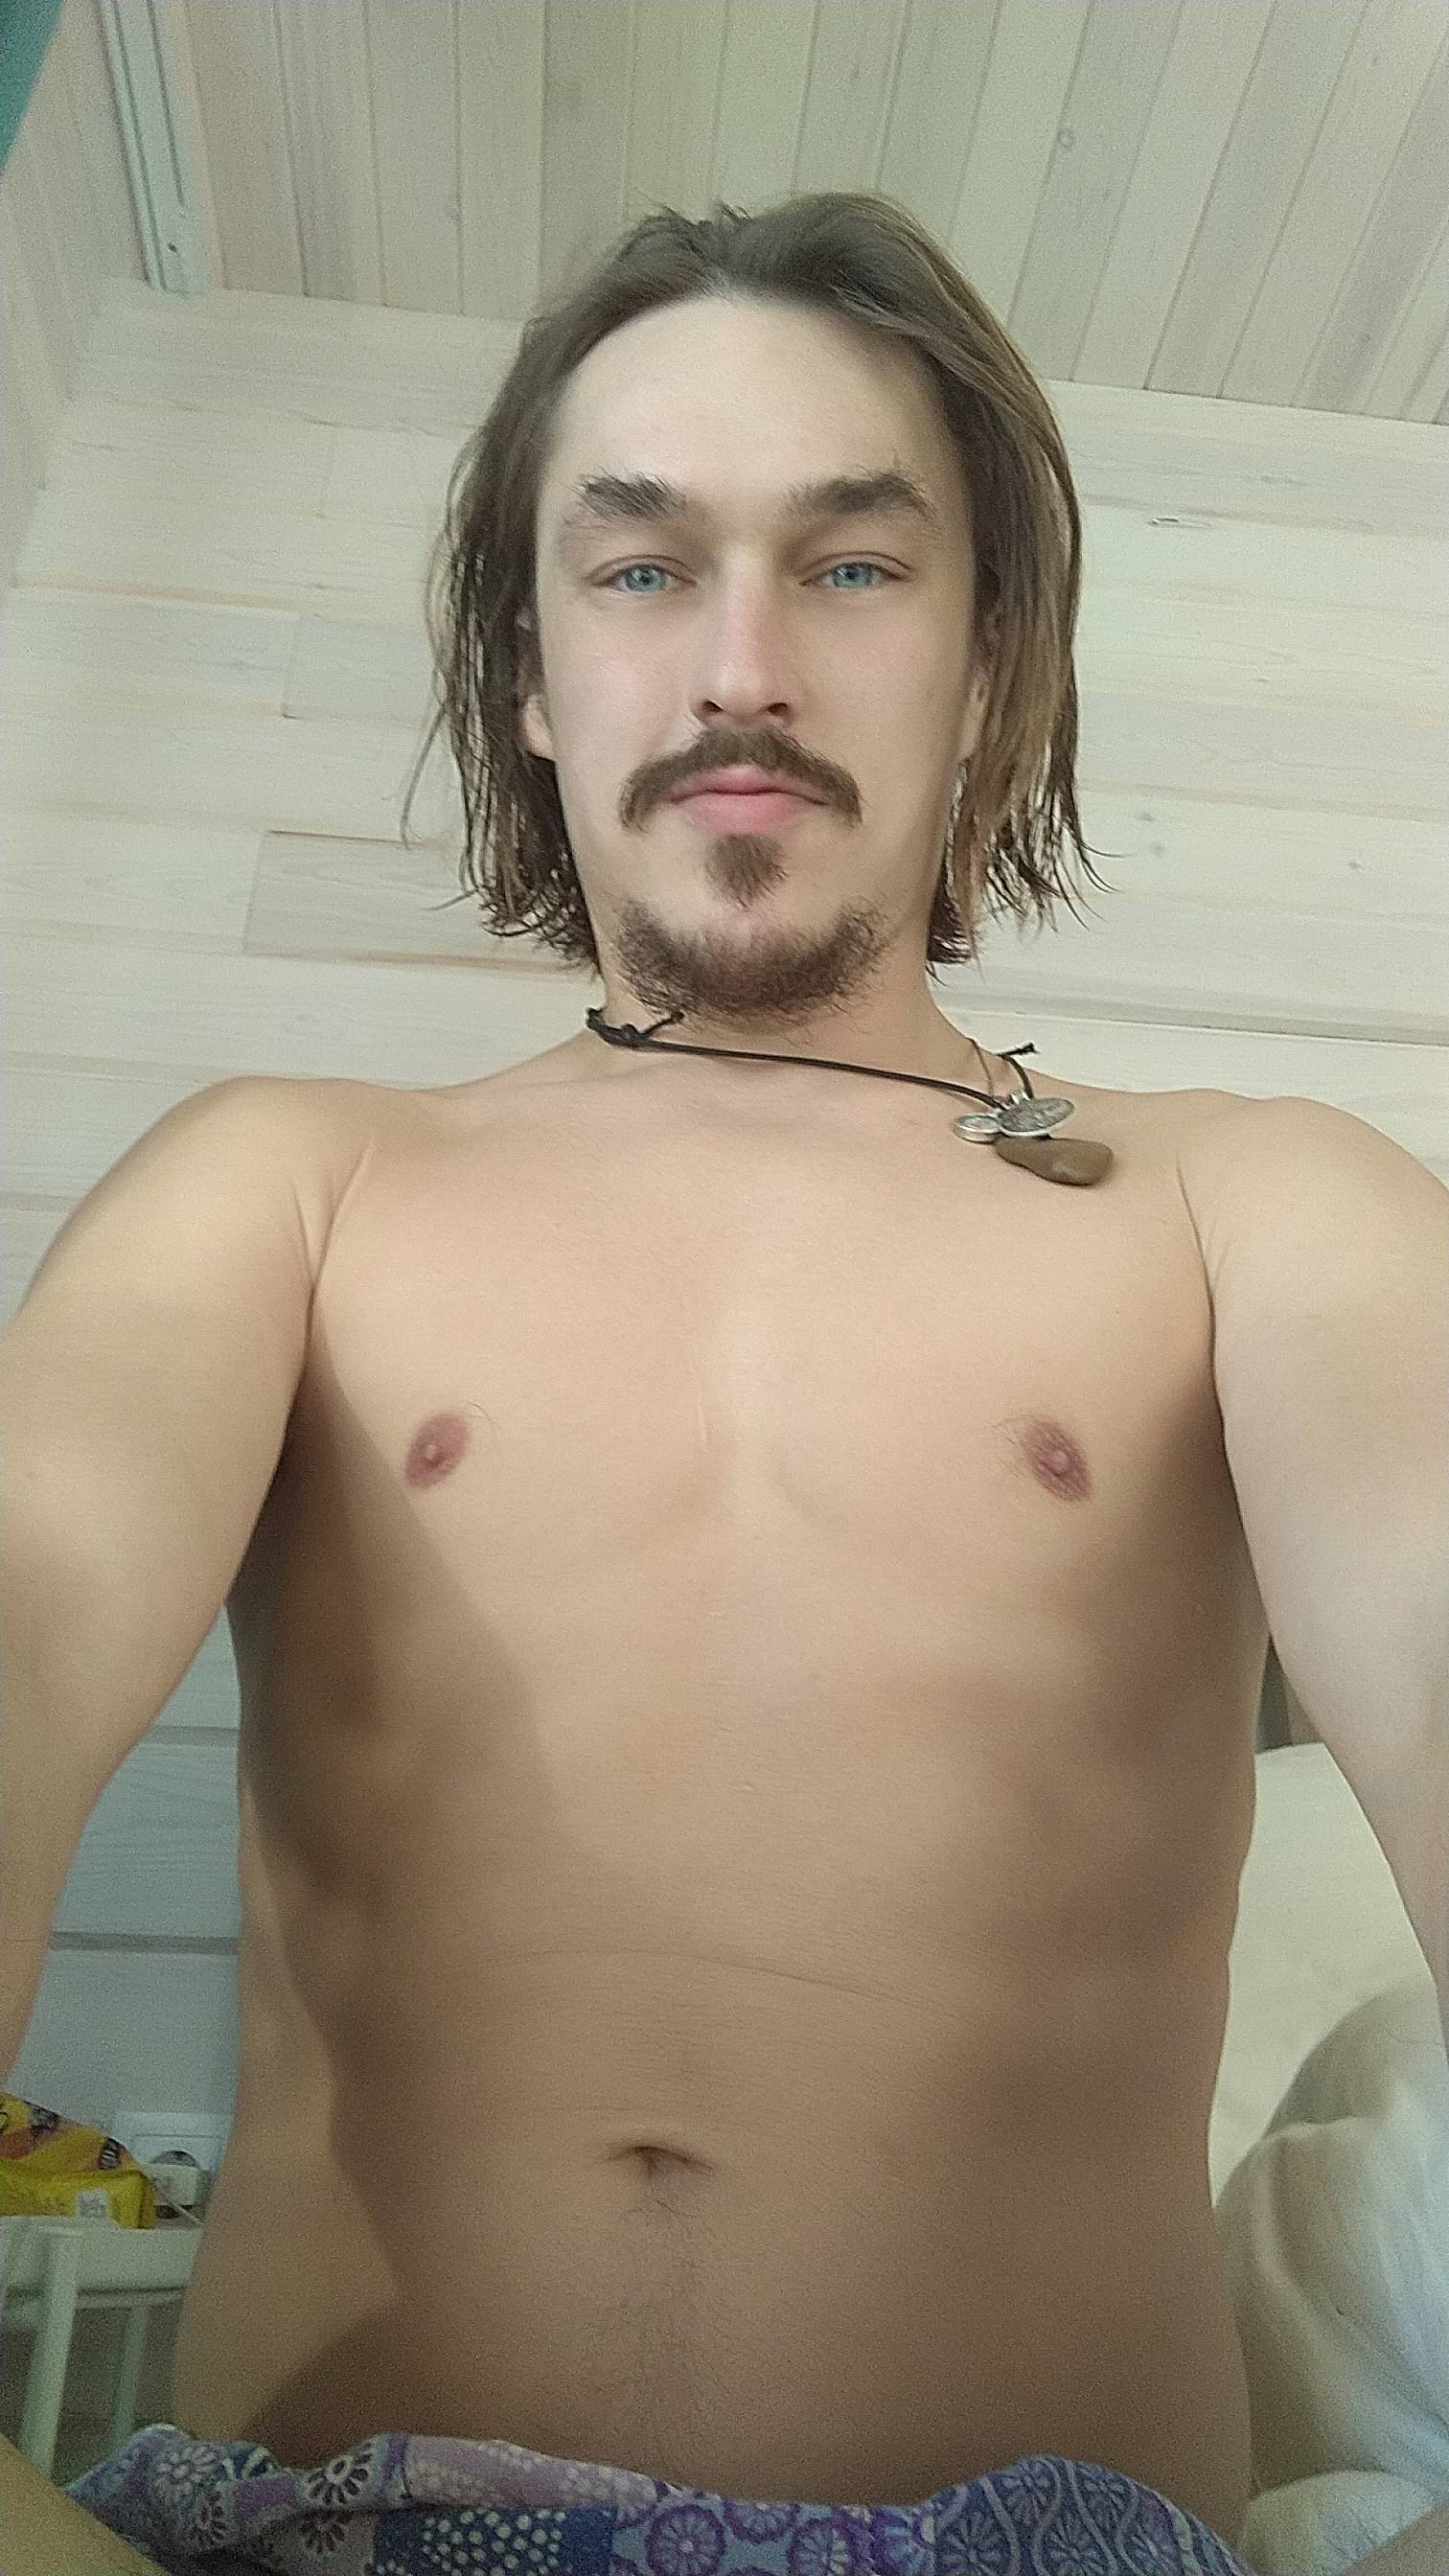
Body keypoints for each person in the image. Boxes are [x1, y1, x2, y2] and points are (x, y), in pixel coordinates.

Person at [1, 188, 1300, 2575]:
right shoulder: (282, 1187)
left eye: (854, 564)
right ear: (531, 671)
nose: (741, 664)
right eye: (639, 566)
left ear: (989, 662)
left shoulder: (1261, 1214)